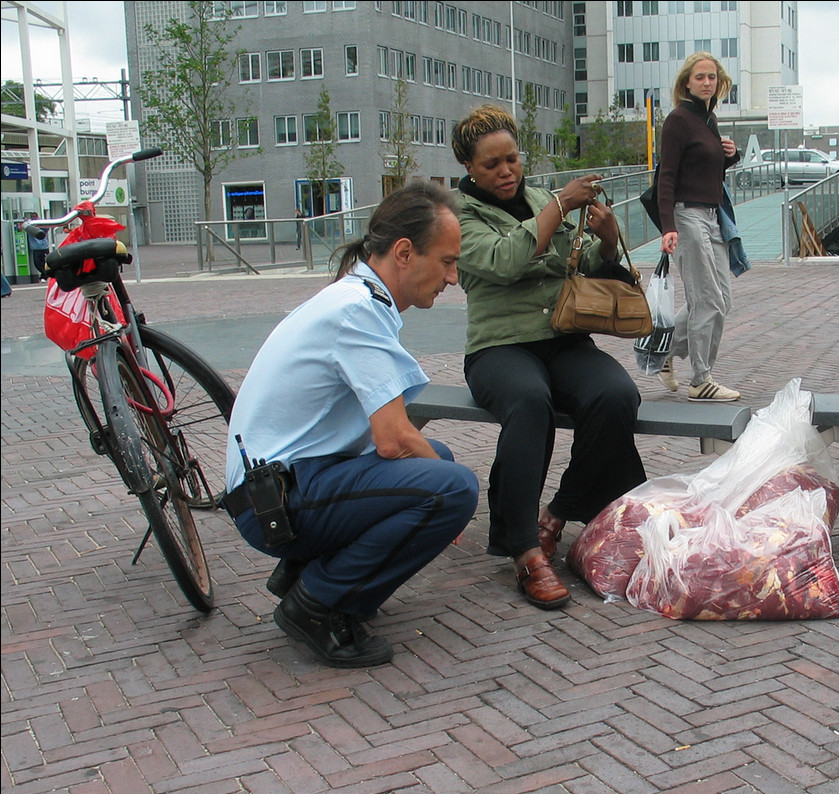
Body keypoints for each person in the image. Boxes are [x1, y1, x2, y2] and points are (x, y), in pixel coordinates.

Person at [223, 182, 480, 668]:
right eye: (447, 261)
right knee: (453, 487)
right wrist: (454, 508)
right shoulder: (357, 311)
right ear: (405, 253)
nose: (452, 277)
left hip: (275, 490)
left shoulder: (356, 298)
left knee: (440, 464)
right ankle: (317, 605)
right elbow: (394, 439)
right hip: (273, 503)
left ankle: (306, 573)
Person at [451, 104, 647, 611]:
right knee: (529, 401)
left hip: (562, 336)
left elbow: (576, 266)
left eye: (511, 159)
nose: (505, 171)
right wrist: (559, 205)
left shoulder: (538, 197)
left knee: (616, 394)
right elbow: (503, 261)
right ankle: (524, 552)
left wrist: (605, 241)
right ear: (469, 168)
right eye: (491, 163)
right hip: (498, 345)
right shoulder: (460, 217)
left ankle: (556, 515)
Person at [656, 51, 743, 402]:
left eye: (712, 77)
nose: (707, 82)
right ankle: (701, 379)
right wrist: (667, 226)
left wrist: (730, 155)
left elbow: (710, 173)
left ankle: (661, 352)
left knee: (720, 297)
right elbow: (667, 176)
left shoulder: (710, 120)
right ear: (687, 83)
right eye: (700, 77)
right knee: (706, 299)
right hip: (687, 216)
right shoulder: (678, 120)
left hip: (712, 215)